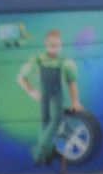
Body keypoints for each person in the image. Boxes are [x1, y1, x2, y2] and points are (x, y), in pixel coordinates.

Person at [17, 28, 82, 166]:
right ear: (46, 44)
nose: (54, 48)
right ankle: (46, 155)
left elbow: (72, 82)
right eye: (51, 45)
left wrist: (75, 100)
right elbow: (21, 78)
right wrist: (31, 91)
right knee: (45, 124)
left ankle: (40, 151)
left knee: (57, 120)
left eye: (57, 45)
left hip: (57, 96)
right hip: (44, 96)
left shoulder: (66, 62)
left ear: (61, 45)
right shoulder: (37, 59)